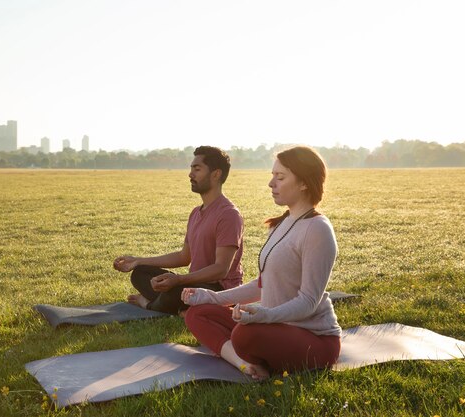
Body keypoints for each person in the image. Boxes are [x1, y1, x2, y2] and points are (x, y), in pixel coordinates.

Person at [181, 146, 341, 380]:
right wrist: (211, 297)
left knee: (245, 335)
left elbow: (308, 301)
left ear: (304, 183)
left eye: (280, 177)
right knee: (197, 313)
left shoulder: (318, 229)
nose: (271, 183)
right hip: (273, 326)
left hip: (313, 338)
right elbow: (262, 284)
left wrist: (263, 315)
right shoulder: (281, 223)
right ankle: (244, 364)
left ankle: (247, 353)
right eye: (272, 175)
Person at [113, 146, 244, 315]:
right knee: (140, 273)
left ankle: (148, 304)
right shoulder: (196, 213)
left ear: (216, 174)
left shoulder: (229, 215)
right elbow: (184, 257)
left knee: (175, 292)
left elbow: (221, 269)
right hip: (193, 285)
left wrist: (179, 280)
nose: (190, 174)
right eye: (191, 169)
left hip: (219, 290)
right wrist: (138, 260)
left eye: (197, 169)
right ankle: (179, 307)